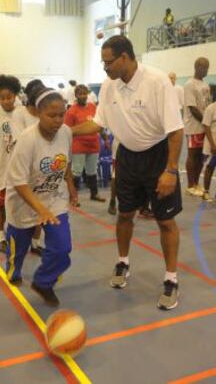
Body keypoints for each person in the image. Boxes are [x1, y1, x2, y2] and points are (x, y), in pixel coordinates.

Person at [73, 35, 184, 310]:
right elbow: (97, 124)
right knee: (124, 215)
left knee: (165, 221)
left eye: (108, 62)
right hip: (127, 160)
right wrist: (65, 131)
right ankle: (123, 262)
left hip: (158, 157)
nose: (105, 68)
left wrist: (170, 170)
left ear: (125, 57)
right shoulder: (110, 86)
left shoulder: (157, 82)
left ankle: (171, 279)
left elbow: (176, 129)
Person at [5, 87, 78, 307]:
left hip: (54, 199)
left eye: (61, 114)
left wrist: (71, 187)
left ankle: (43, 282)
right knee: (18, 250)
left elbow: (65, 163)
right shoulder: (27, 140)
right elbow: (18, 183)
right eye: (51, 115)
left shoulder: (66, 132)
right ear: (38, 113)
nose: (58, 120)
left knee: (62, 248)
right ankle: (14, 269)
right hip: (23, 203)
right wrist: (40, 210)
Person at [12, 79, 46, 256]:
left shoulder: (44, 113)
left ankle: (35, 242)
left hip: (41, 170)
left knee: (39, 209)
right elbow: (20, 141)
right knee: (23, 213)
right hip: (24, 170)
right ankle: (17, 246)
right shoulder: (20, 114)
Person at [0, 74, 21, 253]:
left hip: (22, 168)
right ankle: (1, 235)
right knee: (0, 203)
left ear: (15, 95)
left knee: (19, 204)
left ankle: (19, 234)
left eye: (9, 97)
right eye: (2, 98)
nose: (6, 101)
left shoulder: (23, 112)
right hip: (4, 167)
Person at [64, 84, 105, 203]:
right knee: (76, 171)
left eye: (84, 93)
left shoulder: (93, 107)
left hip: (93, 144)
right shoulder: (71, 111)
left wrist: (105, 138)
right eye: (80, 94)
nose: (83, 96)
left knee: (92, 171)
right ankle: (74, 197)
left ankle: (94, 194)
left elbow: (99, 124)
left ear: (88, 94)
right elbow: (67, 130)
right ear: (76, 95)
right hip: (79, 145)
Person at [184, 57, 210, 197]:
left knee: (201, 156)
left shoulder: (205, 85)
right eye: (204, 67)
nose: (206, 70)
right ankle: (190, 185)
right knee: (192, 154)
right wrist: (206, 120)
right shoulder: (189, 84)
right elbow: (193, 108)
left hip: (203, 125)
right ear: (197, 67)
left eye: (208, 68)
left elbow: (207, 105)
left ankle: (196, 183)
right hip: (193, 126)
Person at [202, 100, 216, 202]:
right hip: (212, 145)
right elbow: (206, 126)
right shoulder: (211, 108)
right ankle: (206, 192)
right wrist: (212, 144)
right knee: (210, 168)